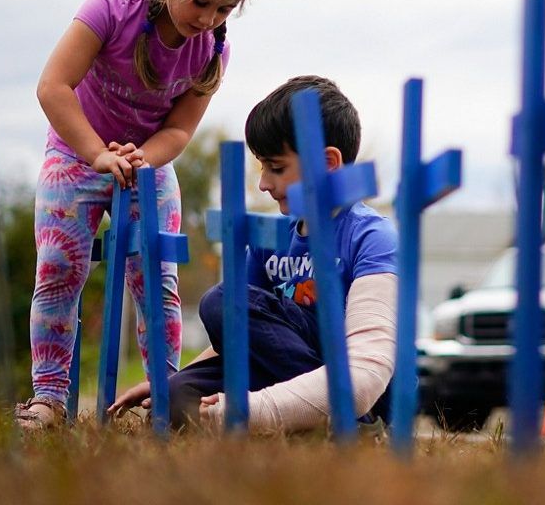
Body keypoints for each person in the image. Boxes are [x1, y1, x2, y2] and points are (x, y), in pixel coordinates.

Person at [16, 0, 258, 429]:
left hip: (148, 164)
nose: (210, 18)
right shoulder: (109, 9)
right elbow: (53, 87)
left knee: (157, 277)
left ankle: (165, 398)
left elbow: (179, 131)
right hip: (75, 154)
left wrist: (141, 158)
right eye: (201, 2)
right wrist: (98, 153)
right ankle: (49, 398)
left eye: (225, 8)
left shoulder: (213, 50)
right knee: (58, 268)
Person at [108, 76, 399, 433]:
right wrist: (176, 379)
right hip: (285, 367)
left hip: (358, 381)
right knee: (177, 395)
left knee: (221, 299)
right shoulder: (271, 239)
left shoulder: (372, 237)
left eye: (276, 168)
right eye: (262, 167)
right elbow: (242, 329)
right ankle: (311, 418)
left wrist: (256, 408)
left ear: (328, 163)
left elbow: (368, 364)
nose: (263, 183)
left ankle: (351, 421)